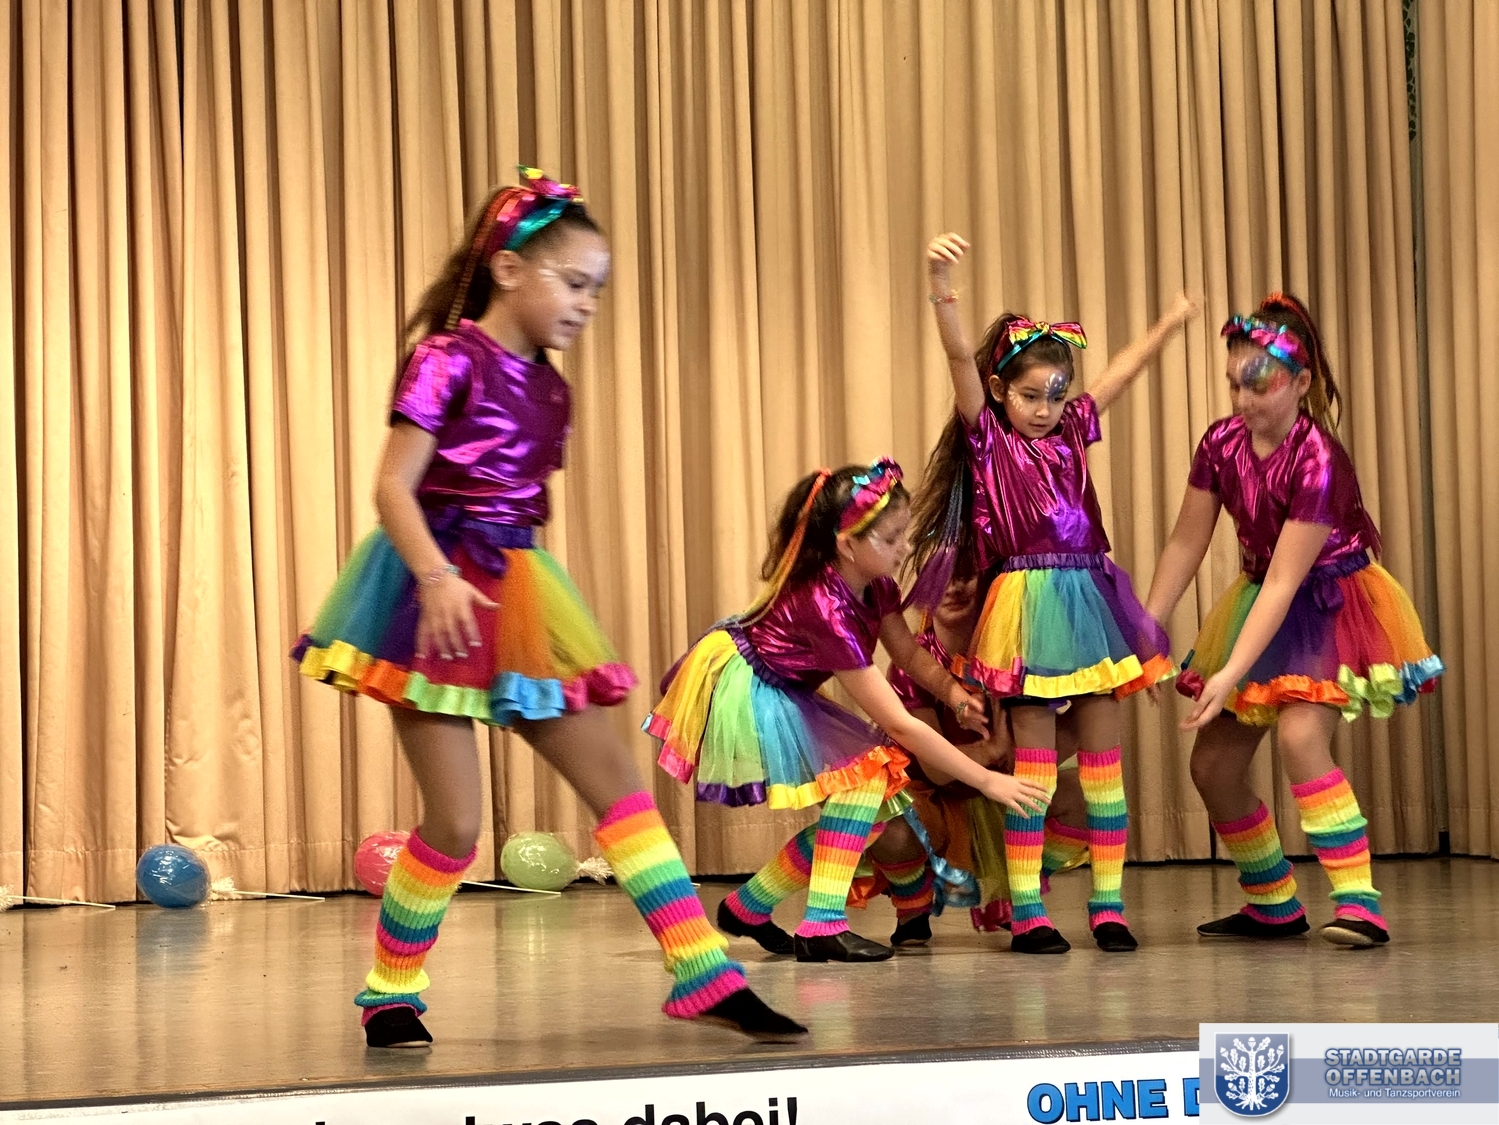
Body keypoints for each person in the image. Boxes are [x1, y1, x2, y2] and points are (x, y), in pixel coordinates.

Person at [293, 168, 805, 1047]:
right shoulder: (447, 358)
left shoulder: (551, 389)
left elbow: (519, 509)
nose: (585, 304)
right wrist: (435, 579)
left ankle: (702, 970)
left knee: (618, 788)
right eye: (572, 283)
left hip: (519, 594)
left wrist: (502, 589)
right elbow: (392, 486)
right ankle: (390, 987)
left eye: (596, 290)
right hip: (428, 599)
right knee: (456, 823)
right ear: (507, 269)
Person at [914, 231, 1197, 953]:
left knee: (1103, 764)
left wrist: (1168, 324)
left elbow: (1123, 372)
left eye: (1056, 395)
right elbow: (958, 358)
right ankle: (1030, 909)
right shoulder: (989, 439)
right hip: (1025, 608)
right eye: (1029, 395)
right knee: (1034, 765)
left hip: (1088, 601)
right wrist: (942, 293)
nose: (1044, 409)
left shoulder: (1072, 430)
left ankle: (1108, 904)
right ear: (999, 391)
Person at [646, 460, 1050, 963]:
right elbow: (899, 723)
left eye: (904, 535)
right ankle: (819, 926)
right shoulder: (827, 607)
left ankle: (750, 907)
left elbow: (908, 655)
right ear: (847, 545)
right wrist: (988, 780)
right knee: (866, 779)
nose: (905, 549)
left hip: (785, 688)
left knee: (869, 808)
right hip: (750, 687)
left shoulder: (876, 587)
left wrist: (953, 694)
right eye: (891, 539)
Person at [1144, 293, 1442, 947]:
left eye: (1259, 383)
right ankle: (1271, 901)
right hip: (1260, 599)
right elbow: (1185, 543)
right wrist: (1146, 627)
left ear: (1302, 383)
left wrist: (1228, 673)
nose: (1242, 399)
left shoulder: (1318, 458)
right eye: (1234, 383)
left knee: (1300, 737)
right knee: (1212, 767)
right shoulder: (1219, 443)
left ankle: (1359, 905)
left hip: (1327, 604)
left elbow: (1285, 582)